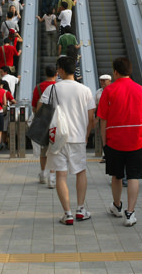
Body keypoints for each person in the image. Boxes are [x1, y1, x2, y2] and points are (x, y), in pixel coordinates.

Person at [38, 56, 95, 225]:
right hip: (78, 137)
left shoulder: (52, 89)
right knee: (80, 172)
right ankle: (80, 209)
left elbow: (41, 111)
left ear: (61, 70)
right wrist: (87, 134)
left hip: (57, 138)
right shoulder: (85, 90)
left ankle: (67, 213)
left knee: (61, 175)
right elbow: (91, 117)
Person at [99, 58, 142, 227]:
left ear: (115, 72)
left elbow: (103, 120)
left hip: (115, 140)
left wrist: (104, 142)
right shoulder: (141, 90)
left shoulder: (108, 91)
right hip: (136, 140)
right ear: (130, 71)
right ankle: (130, 213)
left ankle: (117, 206)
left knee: (116, 175)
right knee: (133, 177)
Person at [31, 66, 57, 186]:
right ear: (56, 74)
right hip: (57, 122)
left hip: (43, 122)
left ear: (45, 73)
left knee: (44, 150)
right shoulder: (59, 87)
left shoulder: (38, 88)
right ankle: (52, 176)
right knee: (54, 149)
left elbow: (34, 108)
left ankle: (43, 174)